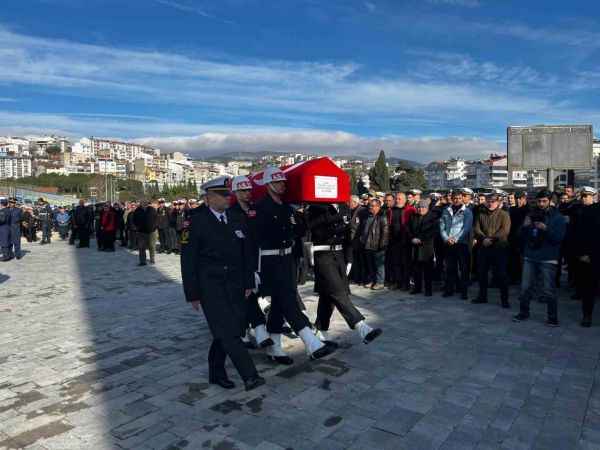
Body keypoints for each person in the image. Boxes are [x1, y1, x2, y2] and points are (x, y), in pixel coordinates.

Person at [181, 176, 265, 392]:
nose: (228, 198)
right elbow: (188, 259)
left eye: (229, 194)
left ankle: (216, 372)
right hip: (211, 286)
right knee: (228, 332)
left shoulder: (236, 217)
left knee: (232, 329)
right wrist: (192, 293)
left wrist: (248, 282)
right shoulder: (195, 220)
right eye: (223, 194)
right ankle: (250, 376)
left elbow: (246, 253)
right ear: (208, 197)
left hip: (236, 284)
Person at [255, 167, 336, 363]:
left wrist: (305, 213)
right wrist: (253, 269)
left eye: (283, 182)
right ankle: (311, 342)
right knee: (287, 299)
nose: (283, 185)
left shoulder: (286, 208)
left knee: (280, 303)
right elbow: (252, 240)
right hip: (268, 260)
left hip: (287, 260)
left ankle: (274, 347)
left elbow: (300, 231)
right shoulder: (259, 208)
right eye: (278, 182)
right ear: (268, 185)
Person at [306, 202, 382, 345]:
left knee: (327, 295)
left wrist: (349, 258)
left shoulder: (343, 206)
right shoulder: (315, 207)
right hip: (323, 254)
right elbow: (315, 230)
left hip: (339, 255)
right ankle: (361, 326)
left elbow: (348, 235)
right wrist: (336, 219)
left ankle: (320, 330)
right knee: (337, 291)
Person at [229, 175, 274, 349]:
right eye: (243, 190)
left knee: (253, 295)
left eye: (249, 190)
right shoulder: (231, 213)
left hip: (258, 258)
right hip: (239, 261)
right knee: (244, 297)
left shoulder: (255, 209)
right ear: (235, 191)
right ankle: (247, 331)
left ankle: (250, 330)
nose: (248, 193)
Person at [513, 190, 567, 327]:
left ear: (550, 201)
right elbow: (520, 235)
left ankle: (552, 317)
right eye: (539, 201)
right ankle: (523, 312)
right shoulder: (531, 214)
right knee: (525, 287)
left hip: (548, 258)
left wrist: (546, 228)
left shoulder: (558, 217)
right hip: (530, 256)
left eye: (544, 201)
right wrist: (525, 226)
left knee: (548, 289)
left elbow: (558, 238)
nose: (541, 204)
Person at [472, 194, 511, 308]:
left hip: (499, 248)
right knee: (482, 273)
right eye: (488, 201)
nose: (490, 203)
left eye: (493, 201)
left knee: (502, 274)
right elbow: (476, 228)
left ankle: (504, 299)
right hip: (484, 247)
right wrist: (484, 239)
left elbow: (505, 230)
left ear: (498, 202)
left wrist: (491, 239)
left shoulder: (504, 214)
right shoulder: (481, 214)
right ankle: (482, 296)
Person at [572, 187, 599, 327]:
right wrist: (582, 253)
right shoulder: (587, 211)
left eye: (586, 196)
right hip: (590, 256)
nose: (584, 198)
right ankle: (587, 316)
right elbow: (580, 235)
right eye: (583, 196)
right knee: (589, 288)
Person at [440, 191, 473, 300]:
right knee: (450, 268)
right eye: (454, 198)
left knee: (463, 269)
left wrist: (456, 238)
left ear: (462, 198)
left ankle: (463, 291)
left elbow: (466, 228)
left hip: (461, 244)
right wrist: (446, 238)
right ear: (452, 199)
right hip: (449, 243)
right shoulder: (446, 210)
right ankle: (449, 289)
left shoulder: (467, 212)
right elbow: (442, 226)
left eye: (459, 198)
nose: (457, 200)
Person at [408, 199, 440, 297]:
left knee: (427, 270)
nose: (421, 209)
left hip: (426, 246)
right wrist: (412, 238)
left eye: (423, 207)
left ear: (427, 208)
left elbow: (433, 231)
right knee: (416, 269)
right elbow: (408, 229)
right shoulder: (413, 217)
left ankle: (428, 289)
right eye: (419, 207)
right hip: (415, 246)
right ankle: (417, 288)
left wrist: (421, 239)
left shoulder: (433, 217)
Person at [361, 198, 389, 290]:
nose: (371, 207)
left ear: (378, 207)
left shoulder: (382, 217)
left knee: (379, 265)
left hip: (377, 245)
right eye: (370, 206)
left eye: (373, 206)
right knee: (370, 265)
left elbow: (385, 233)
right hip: (367, 244)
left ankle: (380, 282)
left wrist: (382, 245)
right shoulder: (368, 216)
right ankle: (372, 280)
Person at [508, 191, 529, 285]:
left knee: (523, 261)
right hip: (513, 238)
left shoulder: (528, 210)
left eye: (520, 198)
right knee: (513, 259)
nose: (518, 200)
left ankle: (523, 278)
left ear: (524, 199)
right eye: (517, 198)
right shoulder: (513, 209)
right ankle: (514, 277)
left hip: (524, 239)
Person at [133, 200, 157, 266]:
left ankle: (152, 259)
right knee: (141, 247)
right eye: (142, 203)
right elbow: (134, 220)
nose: (144, 204)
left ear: (147, 204)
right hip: (141, 232)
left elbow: (156, 218)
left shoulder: (152, 209)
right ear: (141, 204)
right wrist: (137, 227)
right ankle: (142, 261)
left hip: (151, 231)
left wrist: (154, 227)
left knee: (152, 246)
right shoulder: (137, 210)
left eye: (145, 203)